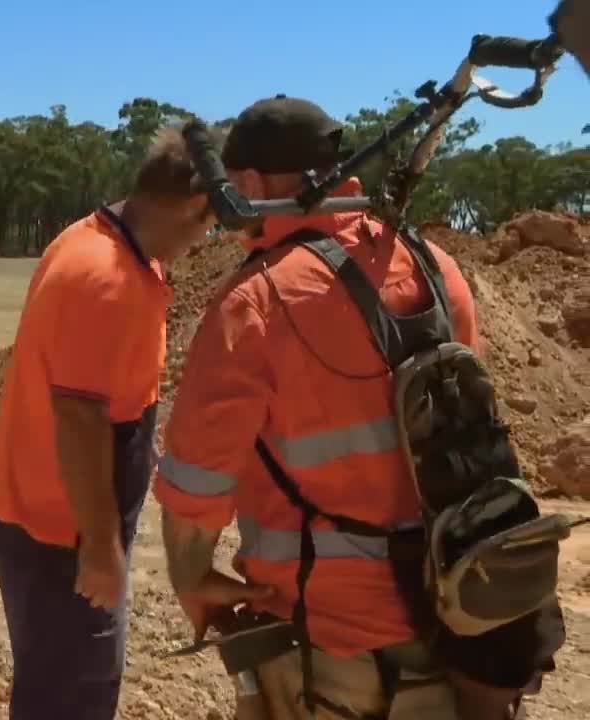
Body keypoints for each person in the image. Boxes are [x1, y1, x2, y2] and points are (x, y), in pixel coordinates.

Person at [153, 95, 564, 720]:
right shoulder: (437, 268)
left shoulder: (254, 303)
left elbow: (195, 489)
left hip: (335, 643)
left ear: (252, 184)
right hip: (465, 614)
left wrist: (190, 577)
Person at [0, 126, 217, 720]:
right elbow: (79, 419)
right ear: (193, 205)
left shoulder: (115, 248)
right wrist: (102, 548)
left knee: (56, 685)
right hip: (58, 532)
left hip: (54, 522)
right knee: (72, 696)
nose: (206, 238)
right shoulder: (103, 277)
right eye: (209, 222)